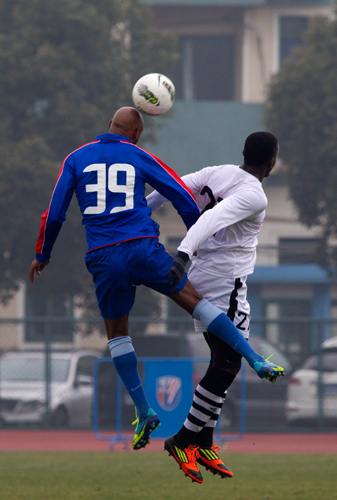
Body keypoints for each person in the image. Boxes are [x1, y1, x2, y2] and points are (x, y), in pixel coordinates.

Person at [29, 109, 283, 453]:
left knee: (117, 334)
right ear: (136, 133)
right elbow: (177, 191)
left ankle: (144, 410)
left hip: (103, 255)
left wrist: (43, 254)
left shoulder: (75, 158)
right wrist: (193, 236)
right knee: (195, 303)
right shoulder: (139, 155)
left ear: (109, 127)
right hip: (143, 249)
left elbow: (55, 211)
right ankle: (255, 358)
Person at [147, 131, 280, 483]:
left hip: (205, 278)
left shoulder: (218, 171)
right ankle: (185, 438)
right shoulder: (255, 195)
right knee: (227, 365)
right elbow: (211, 220)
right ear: (272, 162)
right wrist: (182, 255)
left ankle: (203, 442)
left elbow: (171, 185)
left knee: (221, 363)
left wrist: (143, 210)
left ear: (243, 152)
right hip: (226, 285)